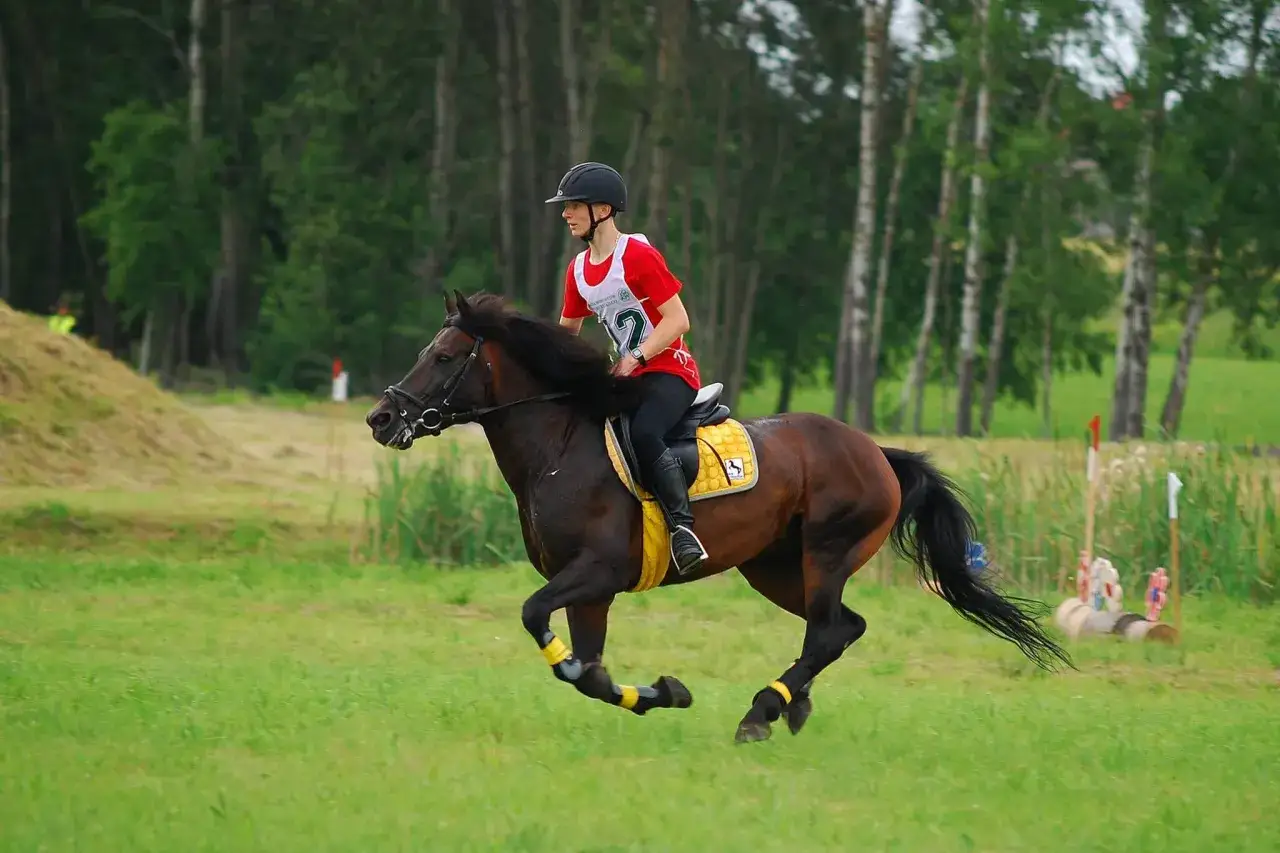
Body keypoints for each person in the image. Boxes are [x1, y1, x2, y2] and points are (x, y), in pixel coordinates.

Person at [547, 161, 708, 575]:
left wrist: (636, 357)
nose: (565, 214)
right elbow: (567, 335)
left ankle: (683, 531)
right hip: (627, 379)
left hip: (671, 371)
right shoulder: (578, 271)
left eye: (573, 207)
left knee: (643, 432)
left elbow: (678, 320)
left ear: (602, 209)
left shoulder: (637, 255)